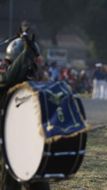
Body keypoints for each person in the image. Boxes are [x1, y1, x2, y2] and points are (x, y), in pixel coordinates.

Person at [0, 32, 50, 189]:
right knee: (10, 185)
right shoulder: (5, 79)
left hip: (31, 145)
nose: (34, 66)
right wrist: (26, 51)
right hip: (8, 147)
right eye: (31, 62)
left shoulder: (33, 83)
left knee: (40, 185)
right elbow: (10, 77)